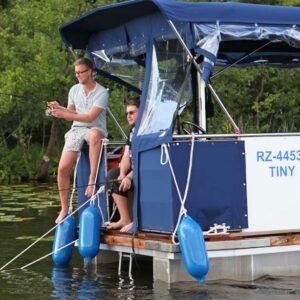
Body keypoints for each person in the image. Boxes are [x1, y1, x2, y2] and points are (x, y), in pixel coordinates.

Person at [48, 57, 108, 224]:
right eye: (76, 73)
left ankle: (91, 180)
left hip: (95, 128)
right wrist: (58, 108)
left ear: (89, 72)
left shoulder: (102, 92)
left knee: (95, 135)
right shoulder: (74, 90)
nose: (78, 76)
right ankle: (64, 209)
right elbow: (71, 113)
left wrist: (64, 114)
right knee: (62, 169)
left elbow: (90, 117)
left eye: (81, 72)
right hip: (77, 129)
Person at [105, 98, 139, 232]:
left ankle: (138, 221)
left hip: (147, 170)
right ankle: (125, 219)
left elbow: (143, 163)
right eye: (127, 114)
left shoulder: (146, 131)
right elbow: (126, 156)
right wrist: (122, 174)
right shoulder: (132, 131)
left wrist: (129, 177)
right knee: (113, 175)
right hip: (136, 169)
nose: (128, 116)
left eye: (132, 113)